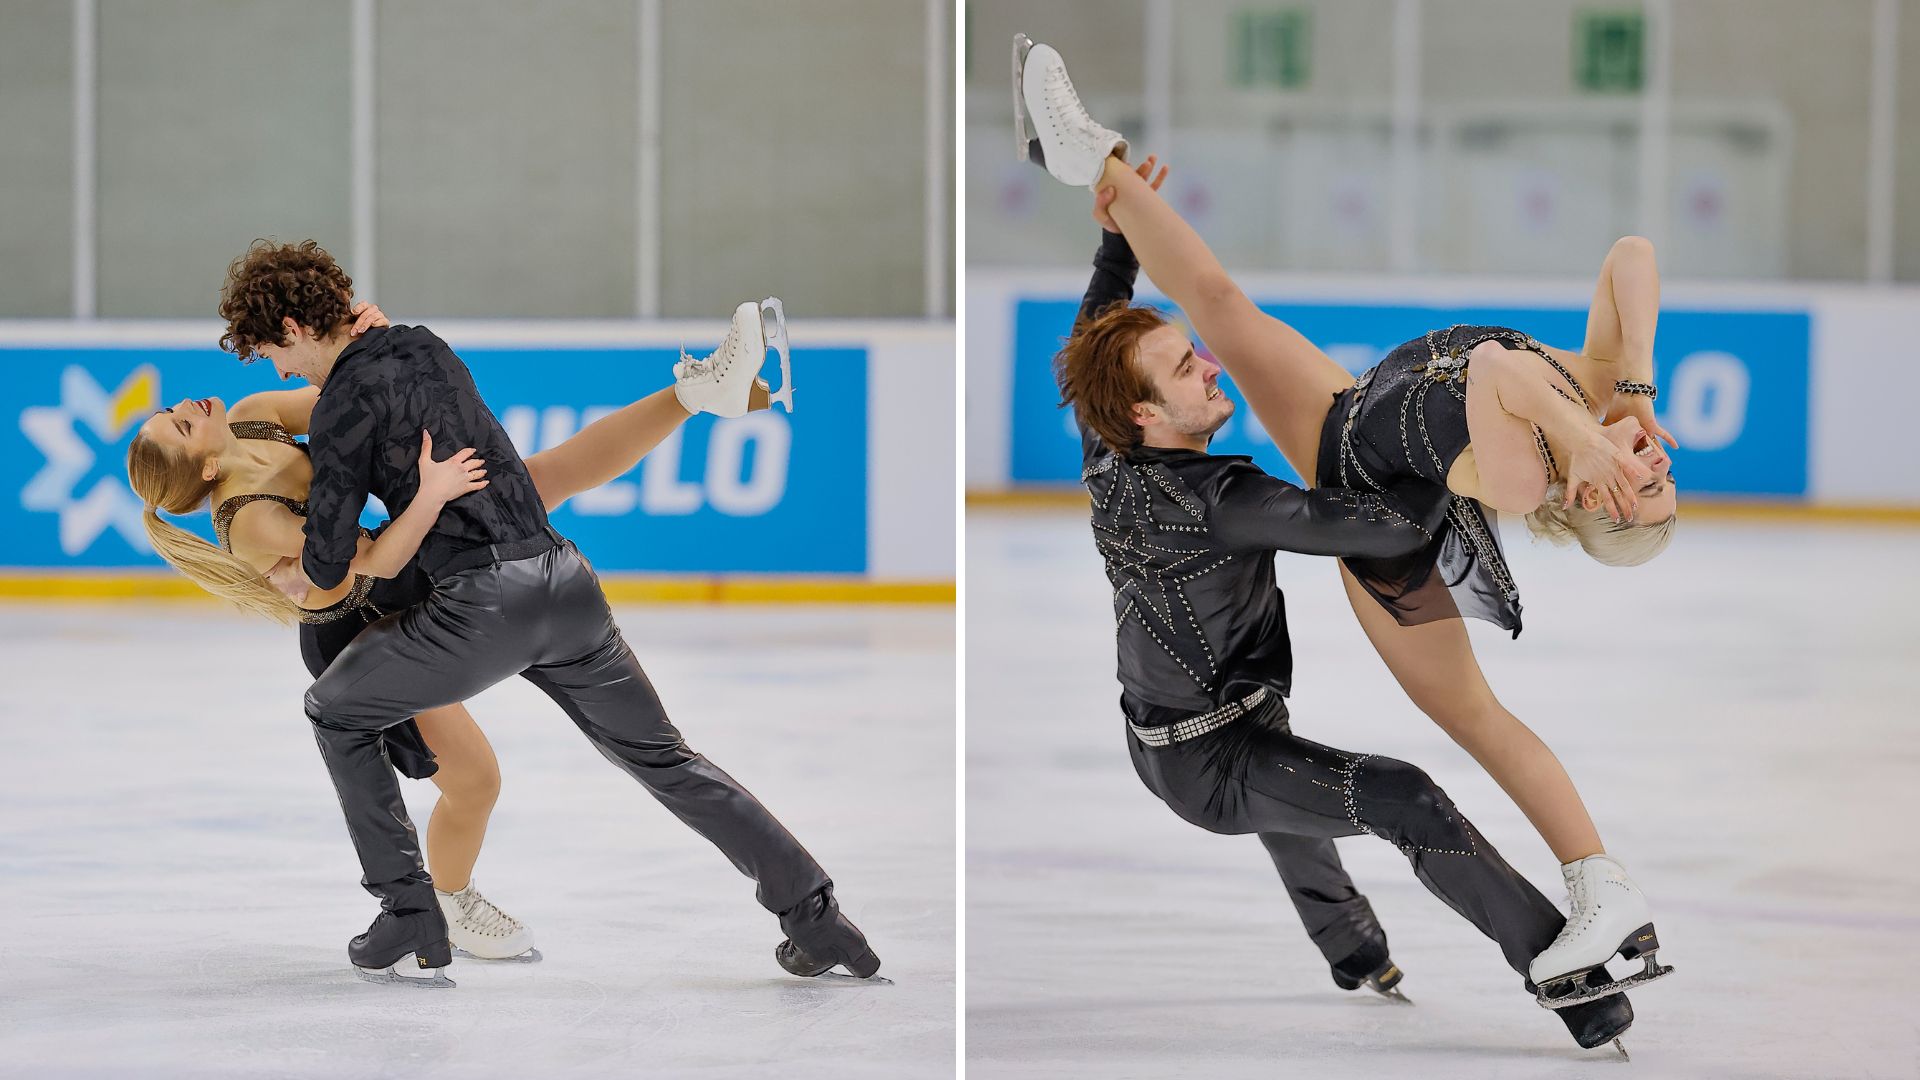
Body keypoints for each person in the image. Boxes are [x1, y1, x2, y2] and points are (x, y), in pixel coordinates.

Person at [1017, 37, 1669, 1031]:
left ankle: (1560, 906)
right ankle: (1089, 160)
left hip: (1354, 511)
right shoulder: (1590, 395)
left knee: (1459, 731)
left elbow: (1496, 369)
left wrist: (1583, 437)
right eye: (1668, 476)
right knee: (1222, 304)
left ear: (1597, 506)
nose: (1656, 466)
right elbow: (1630, 261)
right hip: (1338, 447)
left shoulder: (1530, 463)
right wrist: (1623, 400)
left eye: (1646, 495)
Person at [211, 239, 876, 987]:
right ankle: (818, 920)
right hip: (568, 583)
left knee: (334, 711)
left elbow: (329, 561)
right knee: (667, 760)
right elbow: (402, 400)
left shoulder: (334, 412)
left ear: (296, 327)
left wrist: (327, 559)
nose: (281, 370)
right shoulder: (426, 346)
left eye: (274, 351)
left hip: (483, 608)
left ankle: (408, 911)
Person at [125, 302, 778, 963]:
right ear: (205, 470)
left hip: (394, 562)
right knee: (476, 781)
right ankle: (450, 899)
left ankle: (694, 393)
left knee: (533, 481)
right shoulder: (248, 519)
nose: (189, 404)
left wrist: (362, 341)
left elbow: (349, 394)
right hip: (360, 617)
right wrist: (431, 496)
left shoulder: (250, 414)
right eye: (182, 425)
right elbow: (364, 567)